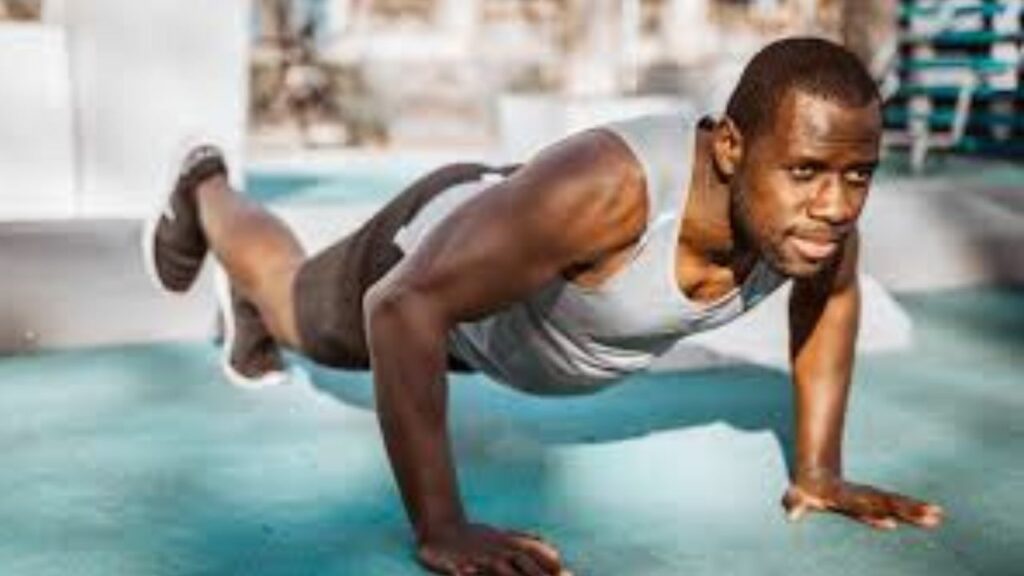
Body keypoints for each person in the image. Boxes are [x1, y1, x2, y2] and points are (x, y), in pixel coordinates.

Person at [144, 37, 944, 576]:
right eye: (806, 171)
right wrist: (442, 527)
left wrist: (819, 470)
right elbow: (399, 308)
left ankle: (240, 281)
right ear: (731, 147)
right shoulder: (610, 190)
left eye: (858, 175)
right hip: (427, 266)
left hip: (504, 310)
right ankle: (204, 187)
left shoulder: (816, 230)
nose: (836, 204)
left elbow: (832, 297)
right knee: (293, 307)